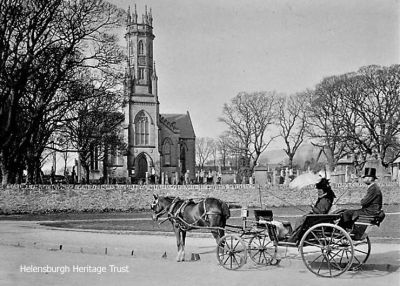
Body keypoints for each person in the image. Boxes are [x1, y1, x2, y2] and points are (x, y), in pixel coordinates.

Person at [286, 178, 336, 242]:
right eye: (318, 191)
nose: (318, 193)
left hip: (317, 219)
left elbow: (321, 212)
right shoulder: (325, 199)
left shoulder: (325, 200)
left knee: (300, 221)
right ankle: (294, 236)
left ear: (325, 192)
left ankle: (294, 238)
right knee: (299, 221)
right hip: (316, 217)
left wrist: (313, 208)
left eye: (320, 192)